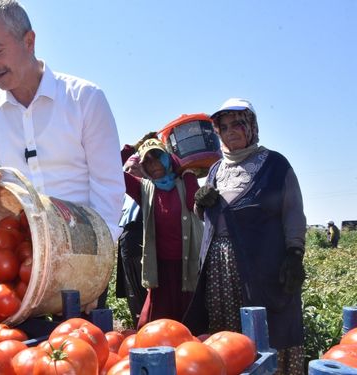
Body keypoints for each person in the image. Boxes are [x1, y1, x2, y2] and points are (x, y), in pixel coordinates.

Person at [0, 0, 125, 245]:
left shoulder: (85, 98)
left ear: (29, 41)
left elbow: (107, 188)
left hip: (83, 250)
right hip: (20, 256)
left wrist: (96, 251)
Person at [184, 98, 307, 375]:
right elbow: (203, 215)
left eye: (238, 124)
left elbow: (293, 211)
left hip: (264, 262)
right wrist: (200, 202)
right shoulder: (216, 170)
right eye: (224, 127)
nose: (231, 131)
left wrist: (295, 253)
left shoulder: (275, 164)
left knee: (269, 326)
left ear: (251, 126)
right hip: (220, 266)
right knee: (227, 333)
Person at [122, 135, 202, 328]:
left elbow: (194, 204)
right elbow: (110, 170)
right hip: (161, 272)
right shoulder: (144, 188)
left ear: (168, 158)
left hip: (187, 269)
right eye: (147, 161)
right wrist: (132, 148)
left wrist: (189, 174)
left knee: (191, 326)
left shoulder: (185, 181)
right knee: (157, 327)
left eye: (158, 156)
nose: (153, 164)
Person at [115, 153, 148, 324]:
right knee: (132, 290)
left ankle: (148, 323)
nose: (129, 173)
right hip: (125, 242)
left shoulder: (146, 188)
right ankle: (138, 325)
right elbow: (111, 167)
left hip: (140, 237)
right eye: (126, 170)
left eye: (134, 169)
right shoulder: (122, 195)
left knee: (144, 288)